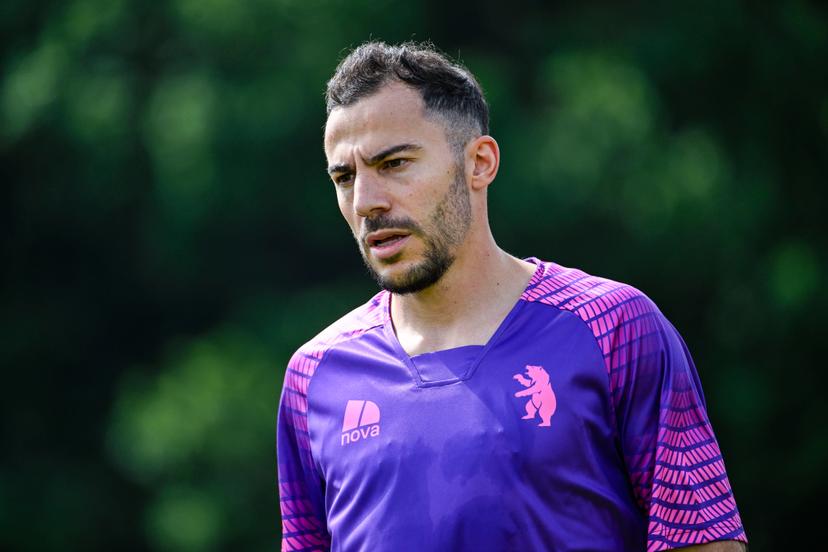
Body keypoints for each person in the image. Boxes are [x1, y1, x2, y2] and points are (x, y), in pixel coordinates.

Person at [277, 41, 747, 552]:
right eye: (345, 177)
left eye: (393, 164)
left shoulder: (614, 327)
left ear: (479, 163)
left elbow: (704, 542)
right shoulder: (315, 375)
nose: (366, 201)